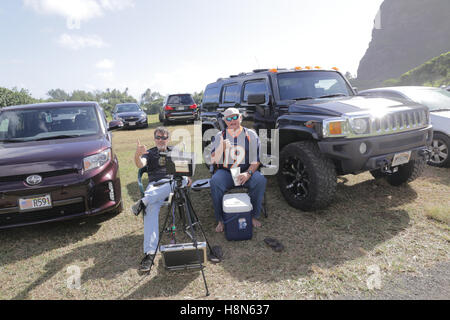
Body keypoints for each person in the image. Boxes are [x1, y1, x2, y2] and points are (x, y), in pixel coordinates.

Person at [131, 126, 190, 272]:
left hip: (172, 183)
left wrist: (188, 176)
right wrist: (137, 155)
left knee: (180, 180)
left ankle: (143, 201)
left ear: (168, 139)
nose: (161, 140)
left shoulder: (174, 151)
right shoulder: (149, 153)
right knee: (151, 208)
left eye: (164, 138)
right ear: (154, 138)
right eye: (158, 137)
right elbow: (140, 164)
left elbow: (183, 170)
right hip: (155, 186)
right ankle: (150, 255)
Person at [209, 108, 267, 233]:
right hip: (226, 172)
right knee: (215, 181)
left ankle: (252, 215)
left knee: (260, 180)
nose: (232, 120)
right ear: (225, 121)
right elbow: (212, 160)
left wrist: (248, 173)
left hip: (245, 171)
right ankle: (221, 219)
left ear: (240, 118)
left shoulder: (251, 134)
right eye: (228, 118)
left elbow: (257, 159)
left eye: (235, 117)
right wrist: (221, 147)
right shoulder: (220, 136)